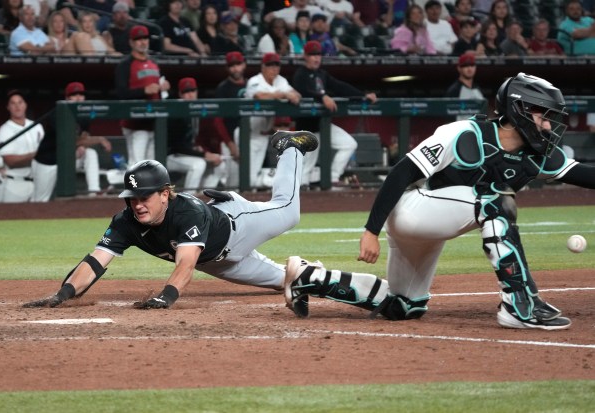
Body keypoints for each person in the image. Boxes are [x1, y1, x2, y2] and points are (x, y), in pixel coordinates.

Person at [283, 73, 590, 331]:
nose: (548, 126)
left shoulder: (538, 156)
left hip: (438, 223)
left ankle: (310, 277)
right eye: (542, 115)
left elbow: (585, 175)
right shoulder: (462, 133)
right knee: (495, 198)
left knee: (405, 306)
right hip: (412, 211)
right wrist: (370, 231)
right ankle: (520, 304)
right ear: (519, 109)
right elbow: (401, 173)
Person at [22, 130, 319, 310]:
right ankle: (318, 274)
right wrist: (62, 294)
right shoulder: (126, 222)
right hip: (218, 262)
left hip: (238, 225)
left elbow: (185, 264)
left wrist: (166, 297)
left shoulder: (187, 212)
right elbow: (95, 261)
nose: (137, 205)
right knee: (288, 281)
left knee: (289, 211)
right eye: (132, 198)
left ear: (165, 194)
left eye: (145, 197)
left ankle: (289, 148)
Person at [291, 40, 377, 187]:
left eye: (318, 54)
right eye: (312, 55)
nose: (316, 58)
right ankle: (303, 205)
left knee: (349, 144)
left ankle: (333, 177)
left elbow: (340, 87)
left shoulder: (322, 74)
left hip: (323, 125)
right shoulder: (300, 73)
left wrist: (363, 96)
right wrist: (322, 96)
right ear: (305, 56)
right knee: (304, 172)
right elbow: (302, 91)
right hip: (306, 129)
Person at [33, 82, 113, 201]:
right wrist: (99, 139)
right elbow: (71, 141)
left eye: (81, 94)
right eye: (74, 95)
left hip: (67, 158)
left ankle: (94, 191)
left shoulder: (83, 115)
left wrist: (83, 146)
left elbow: (84, 137)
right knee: (41, 199)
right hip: (48, 161)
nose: (78, 98)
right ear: (67, 98)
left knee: (90, 153)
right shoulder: (57, 114)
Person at [115, 25, 171, 167]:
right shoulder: (125, 64)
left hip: (154, 121)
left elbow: (158, 91)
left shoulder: (154, 63)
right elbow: (121, 93)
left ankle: (149, 190)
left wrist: (163, 88)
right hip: (135, 122)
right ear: (131, 42)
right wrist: (144, 90)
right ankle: (133, 190)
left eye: (145, 38)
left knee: (152, 166)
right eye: (138, 39)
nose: (142, 42)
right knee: (136, 164)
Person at [245, 53, 301, 188]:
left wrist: (292, 95)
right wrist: (283, 94)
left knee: (250, 179)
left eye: (276, 65)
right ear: (263, 67)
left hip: (263, 135)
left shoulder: (280, 81)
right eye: (270, 65)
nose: (274, 68)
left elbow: (297, 95)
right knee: (244, 178)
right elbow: (260, 96)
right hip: (247, 135)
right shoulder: (254, 80)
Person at [166, 77, 227, 191]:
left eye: (192, 91)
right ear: (180, 94)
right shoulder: (176, 113)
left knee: (220, 163)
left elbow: (191, 142)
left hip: (185, 154)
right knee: (199, 164)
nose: (190, 94)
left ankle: (206, 196)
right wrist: (203, 155)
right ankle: (189, 199)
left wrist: (202, 151)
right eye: (186, 92)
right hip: (170, 156)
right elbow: (178, 147)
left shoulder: (195, 111)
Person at [0, 90, 45, 203]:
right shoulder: (4, 131)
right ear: (8, 107)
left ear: (25, 105)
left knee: (40, 218)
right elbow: (10, 161)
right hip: (15, 184)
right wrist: (36, 155)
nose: (17, 106)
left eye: (20, 102)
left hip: (37, 182)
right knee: (9, 218)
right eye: (13, 103)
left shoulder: (36, 126)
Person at [212, 51, 247, 188]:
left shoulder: (251, 85)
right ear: (227, 68)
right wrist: (230, 143)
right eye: (232, 65)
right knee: (233, 183)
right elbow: (218, 120)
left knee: (247, 179)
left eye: (238, 64)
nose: (236, 68)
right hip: (230, 139)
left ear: (243, 65)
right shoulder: (223, 88)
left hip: (249, 137)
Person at [445, 53, 486, 120]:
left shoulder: (478, 89)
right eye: (465, 65)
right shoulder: (454, 90)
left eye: (472, 65)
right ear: (459, 68)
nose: (469, 68)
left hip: (478, 128)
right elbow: (449, 117)